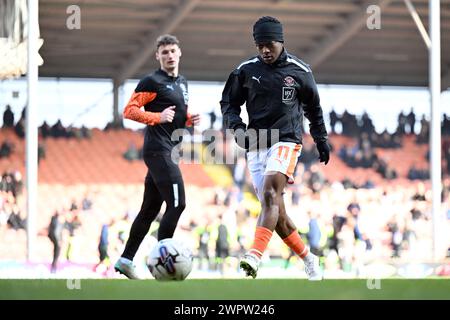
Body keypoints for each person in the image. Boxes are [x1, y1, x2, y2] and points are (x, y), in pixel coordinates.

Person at [220, 16, 330, 280]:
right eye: (259, 46)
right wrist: (236, 127)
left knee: (270, 195)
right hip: (256, 144)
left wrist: (321, 138)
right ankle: (308, 259)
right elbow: (228, 103)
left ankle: (254, 257)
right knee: (276, 212)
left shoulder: (300, 71)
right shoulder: (245, 70)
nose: (264, 50)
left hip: (286, 140)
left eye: (269, 44)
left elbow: (314, 109)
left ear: (280, 41)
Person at [114, 34, 200, 279]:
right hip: (158, 150)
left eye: (173, 51)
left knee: (150, 210)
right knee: (178, 203)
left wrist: (187, 119)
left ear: (179, 53)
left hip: (167, 150)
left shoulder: (182, 82)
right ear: (158, 56)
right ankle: (165, 262)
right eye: (165, 53)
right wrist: (156, 117)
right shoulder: (151, 81)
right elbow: (129, 111)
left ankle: (126, 260)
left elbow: (174, 114)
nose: (170, 56)